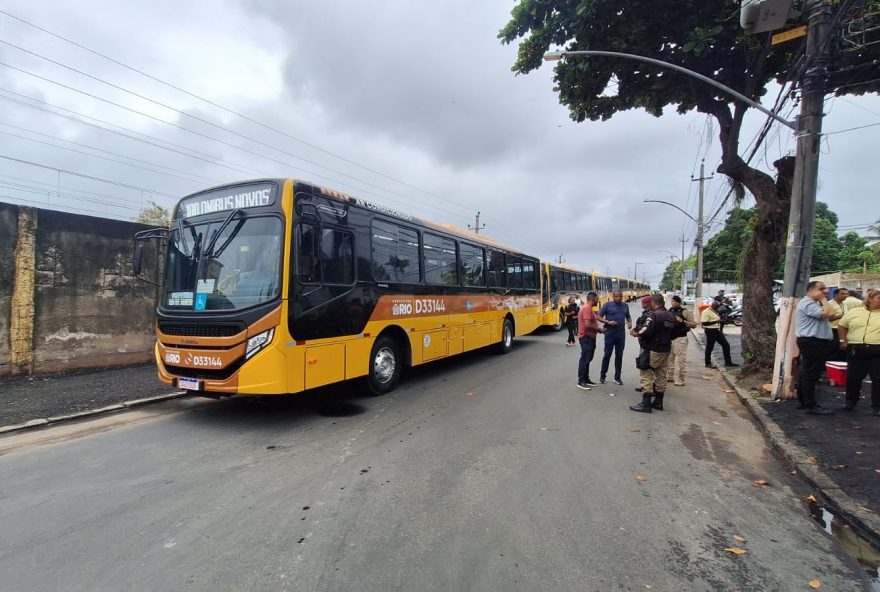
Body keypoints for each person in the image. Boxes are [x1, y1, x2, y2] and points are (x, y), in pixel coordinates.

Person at [794, 280, 836, 415]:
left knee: (806, 372)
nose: (826, 291)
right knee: (811, 374)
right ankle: (810, 405)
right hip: (812, 342)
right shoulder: (808, 303)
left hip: (812, 341)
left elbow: (831, 314)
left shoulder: (812, 304)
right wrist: (823, 299)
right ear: (811, 290)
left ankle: (803, 401)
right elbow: (829, 313)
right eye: (822, 289)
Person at [630, 294, 676, 413]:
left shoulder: (654, 315)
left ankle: (646, 404)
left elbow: (645, 330)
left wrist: (637, 333)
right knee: (661, 375)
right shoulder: (671, 315)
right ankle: (658, 402)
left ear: (653, 303)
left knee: (646, 373)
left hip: (652, 349)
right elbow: (675, 332)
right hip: (665, 349)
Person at [838, 288, 880, 415]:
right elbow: (842, 325)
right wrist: (842, 340)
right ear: (870, 299)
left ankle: (877, 406)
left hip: (877, 349)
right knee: (853, 377)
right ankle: (850, 401)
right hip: (857, 349)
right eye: (879, 298)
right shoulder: (855, 312)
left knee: (878, 378)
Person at [598, 290, 632, 385]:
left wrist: (630, 323)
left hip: (621, 335)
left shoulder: (625, 306)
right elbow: (599, 316)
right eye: (616, 296)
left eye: (620, 296)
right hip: (610, 334)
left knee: (619, 356)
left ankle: (617, 377)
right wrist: (608, 322)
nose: (619, 298)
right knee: (607, 355)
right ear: (613, 296)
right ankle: (602, 376)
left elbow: (628, 317)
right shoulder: (607, 305)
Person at [667, 295, 697, 386]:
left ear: (679, 302)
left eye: (675, 301)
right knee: (669, 359)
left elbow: (694, 324)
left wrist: (683, 322)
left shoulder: (685, 312)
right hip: (670, 338)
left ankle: (681, 379)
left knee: (681, 360)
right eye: (672, 301)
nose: (673, 303)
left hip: (681, 338)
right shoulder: (669, 311)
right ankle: (670, 376)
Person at [701, 300, 738, 368]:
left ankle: (728, 362)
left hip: (717, 330)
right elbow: (704, 323)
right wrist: (717, 321)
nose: (718, 308)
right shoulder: (706, 312)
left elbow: (719, 319)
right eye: (717, 307)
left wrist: (721, 322)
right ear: (713, 306)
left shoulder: (715, 311)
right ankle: (707, 363)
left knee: (726, 345)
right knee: (710, 347)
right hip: (710, 331)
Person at [576, 291, 601, 390]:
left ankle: (586, 379)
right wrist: (599, 329)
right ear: (593, 299)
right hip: (586, 337)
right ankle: (581, 381)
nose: (598, 300)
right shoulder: (586, 308)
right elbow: (587, 325)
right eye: (597, 299)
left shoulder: (588, 308)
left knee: (588, 359)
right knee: (585, 359)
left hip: (590, 337)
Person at [633, 296, 653, 393]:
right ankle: (645, 386)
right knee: (643, 364)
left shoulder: (651, 314)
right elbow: (639, 325)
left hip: (648, 344)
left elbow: (646, 328)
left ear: (648, 303)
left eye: (643, 303)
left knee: (646, 366)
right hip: (643, 342)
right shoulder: (645, 313)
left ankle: (647, 389)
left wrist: (637, 333)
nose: (642, 304)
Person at [829, 288, 848, 361]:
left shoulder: (844, 304)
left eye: (846, 294)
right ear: (836, 295)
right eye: (843, 294)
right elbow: (826, 318)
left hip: (843, 330)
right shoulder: (830, 304)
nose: (845, 295)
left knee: (842, 351)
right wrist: (838, 316)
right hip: (833, 330)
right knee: (833, 350)